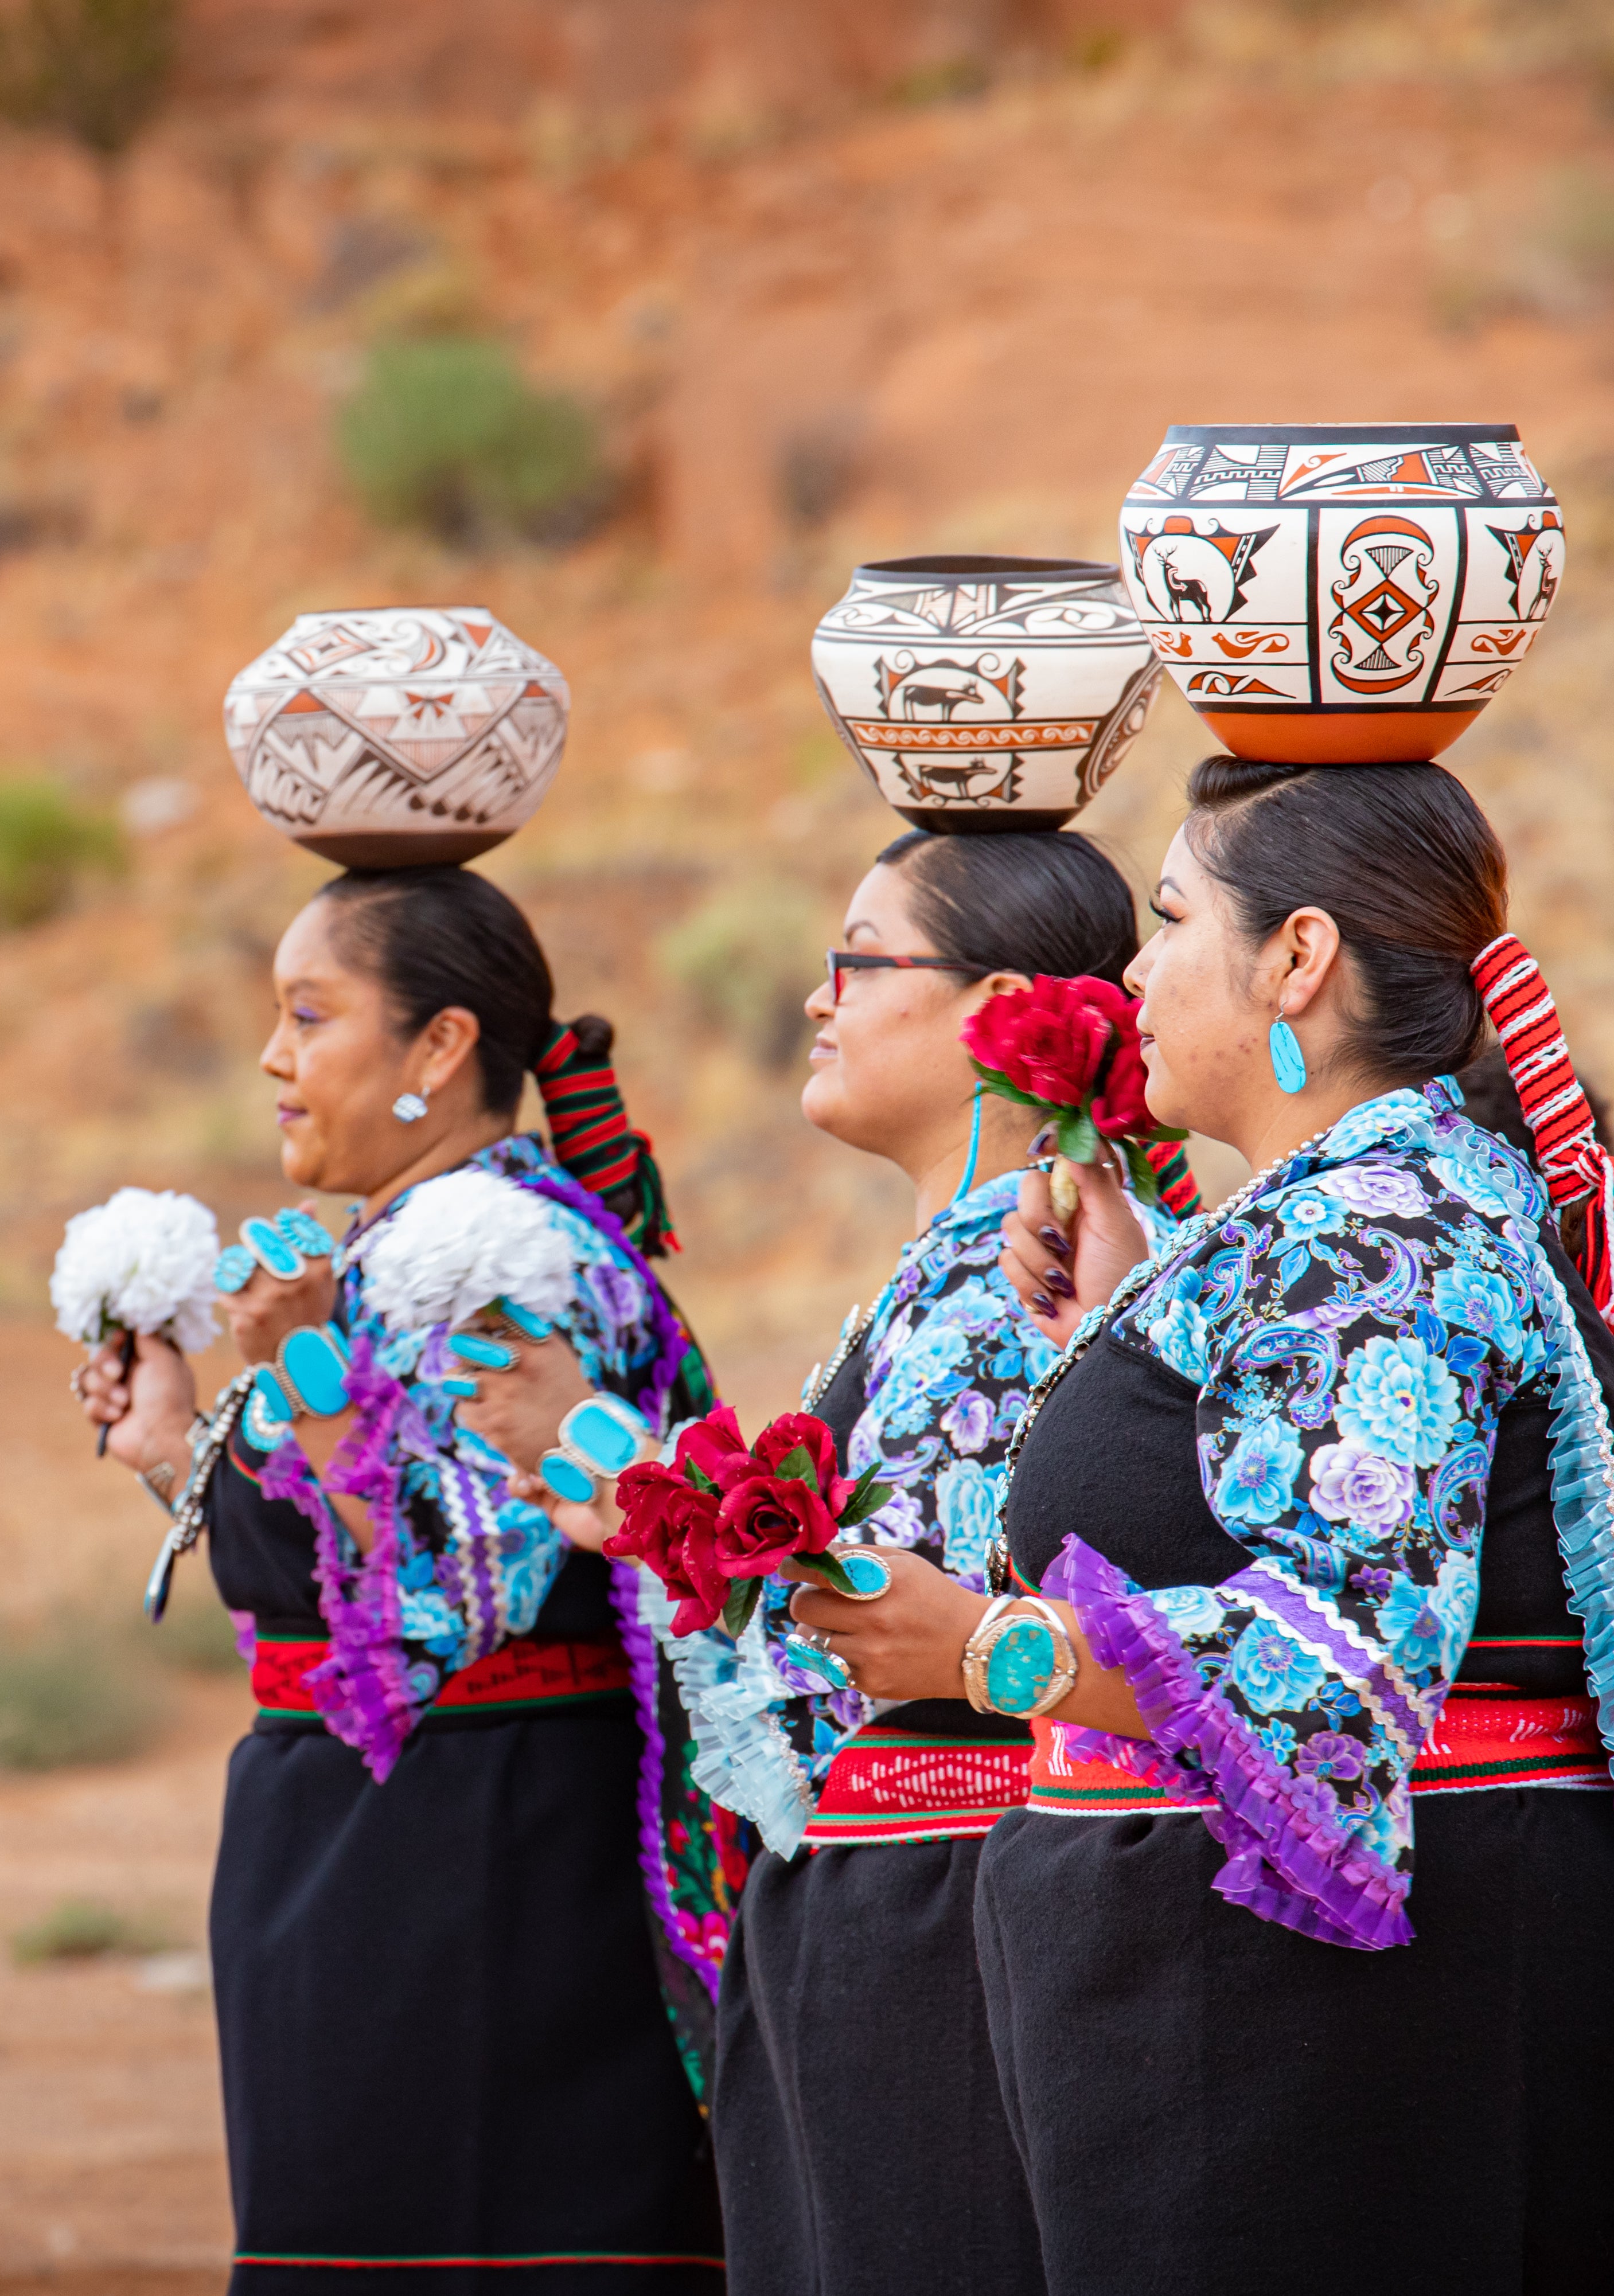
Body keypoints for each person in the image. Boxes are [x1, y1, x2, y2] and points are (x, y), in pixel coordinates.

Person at [792, 756, 1614, 2291]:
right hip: (1234, 2025)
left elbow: (1344, 1657)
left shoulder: (1380, 1228)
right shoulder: (1336, 1213)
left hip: (1337, 2058)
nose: (1130, 970)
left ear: (1295, 957)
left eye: (1167, 920)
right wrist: (1115, 1318)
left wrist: (978, 1645)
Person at [459, 828, 1184, 2296]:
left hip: (948, 1914)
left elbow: (871, 1620)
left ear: (1003, 1011)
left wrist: (609, 1457)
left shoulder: (1027, 1276)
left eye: (860, 960)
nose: (817, 997)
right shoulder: (952, 1273)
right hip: (892, 1907)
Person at [75, 864, 739, 2295]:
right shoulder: (390, 1251)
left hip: (484, 1869)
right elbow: (329, 1565)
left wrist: (298, 1373)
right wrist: (173, 1441)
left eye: (309, 1016)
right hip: (372, 1852)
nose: (273, 1058)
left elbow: (447, 1597)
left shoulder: (489, 1258)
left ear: (439, 1048)